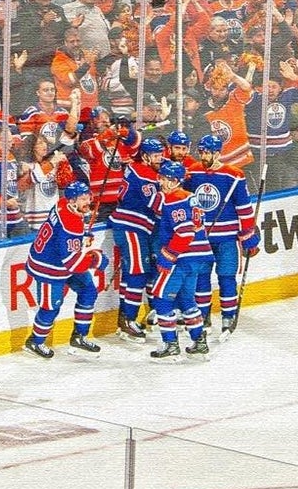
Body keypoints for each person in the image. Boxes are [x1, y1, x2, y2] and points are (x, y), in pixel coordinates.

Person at [23, 180, 105, 360]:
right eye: (83, 199)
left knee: (89, 290)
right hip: (48, 267)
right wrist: (96, 260)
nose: (87, 202)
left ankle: (79, 336)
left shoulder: (62, 205)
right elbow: (72, 262)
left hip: (59, 262)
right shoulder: (70, 223)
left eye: (87, 197)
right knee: (51, 307)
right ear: (72, 201)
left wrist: (82, 235)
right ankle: (35, 342)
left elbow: (68, 239)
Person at [185, 134, 259, 334]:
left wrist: (248, 236)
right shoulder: (192, 172)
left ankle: (228, 316)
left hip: (227, 237)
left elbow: (244, 208)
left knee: (226, 277)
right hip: (202, 238)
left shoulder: (233, 175)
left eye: (207, 152)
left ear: (218, 153)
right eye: (201, 152)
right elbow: (185, 202)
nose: (203, 155)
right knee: (201, 278)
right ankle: (203, 317)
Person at [147, 159, 212, 362]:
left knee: (160, 297)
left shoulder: (174, 199)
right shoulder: (190, 197)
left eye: (166, 179)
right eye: (161, 178)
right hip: (199, 257)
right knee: (186, 299)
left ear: (176, 181)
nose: (161, 182)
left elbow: (184, 233)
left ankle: (171, 345)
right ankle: (199, 342)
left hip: (182, 259)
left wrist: (168, 257)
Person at [107, 134, 165, 339]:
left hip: (137, 227)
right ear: (147, 157)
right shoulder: (144, 175)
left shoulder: (141, 168)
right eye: (157, 155)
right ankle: (128, 319)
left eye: (161, 154)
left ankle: (127, 316)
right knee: (138, 272)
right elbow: (157, 206)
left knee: (138, 273)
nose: (161, 158)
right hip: (131, 227)